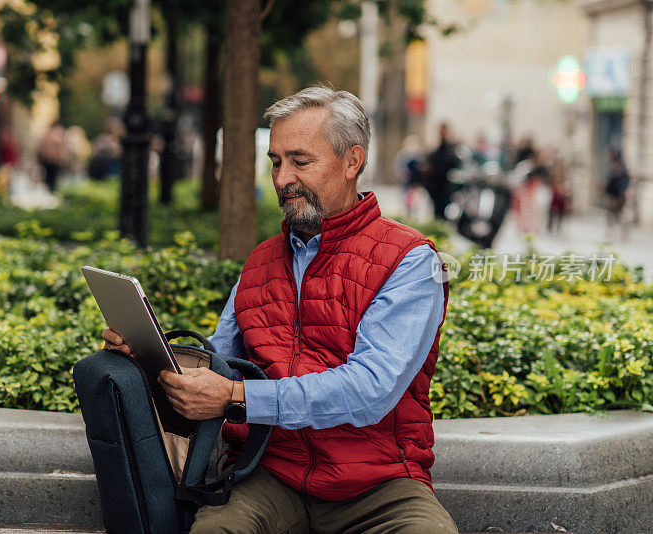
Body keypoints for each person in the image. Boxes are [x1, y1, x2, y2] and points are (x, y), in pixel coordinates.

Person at [102, 86, 457, 533]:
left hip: (378, 485)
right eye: (275, 161)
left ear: (352, 161)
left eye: (300, 161)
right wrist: (145, 354)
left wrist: (236, 397)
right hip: (268, 474)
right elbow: (219, 362)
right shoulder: (260, 262)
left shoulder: (410, 259)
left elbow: (371, 391)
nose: (282, 177)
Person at [425, 122, 460, 220]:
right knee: (438, 213)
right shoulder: (435, 151)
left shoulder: (451, 150)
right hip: (436, 188)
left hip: (447, 188)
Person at [604, 149, 631, 241]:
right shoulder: (615, 170)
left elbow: (623, 182)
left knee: (618, 214)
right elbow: (610, 183)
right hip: (614, 194)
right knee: (612, 213)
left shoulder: (621, 170)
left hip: (619, 195)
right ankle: (614, 229)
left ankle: (622, 231)